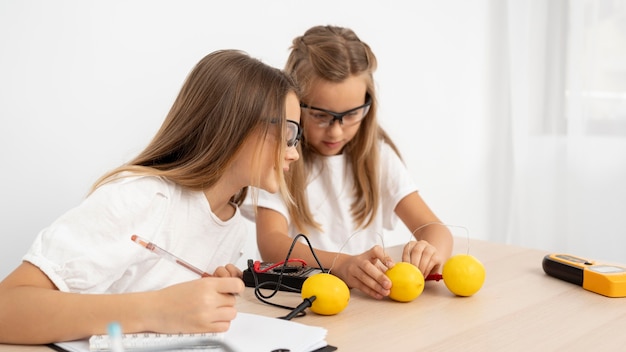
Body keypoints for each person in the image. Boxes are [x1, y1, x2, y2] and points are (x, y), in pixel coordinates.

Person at [0, 49, 302, 344]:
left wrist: (204, 303)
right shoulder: (142, 197)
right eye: (288, 134)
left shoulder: (232, 225)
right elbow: (7, 309)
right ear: (236, 125)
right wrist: (157, 309)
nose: (295, 153)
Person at [243, 25, 453, 300]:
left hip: (366, 304)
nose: (336, 131)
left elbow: (435, 229)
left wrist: (430, 251)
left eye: (352, 114)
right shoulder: (280, 159)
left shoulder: (378, 157)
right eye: (320, 115)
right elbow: (272, 245)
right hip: (302, 302)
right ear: (295, 103)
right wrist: (341, 265)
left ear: (368, 104)